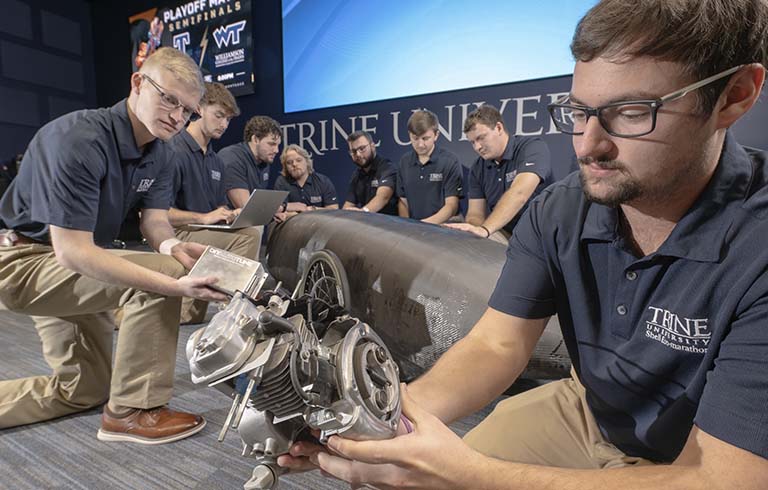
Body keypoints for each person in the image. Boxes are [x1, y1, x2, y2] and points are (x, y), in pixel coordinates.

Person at [277, 1, 768, 488]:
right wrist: (383, 420)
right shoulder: (561, 209)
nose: (587, 145)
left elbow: (727, 479)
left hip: (699, 456)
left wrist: (467, 474)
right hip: (590, 411)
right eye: (578, 112)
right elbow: (497, 343)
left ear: (735, 96)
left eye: (632, 112)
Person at [0, 48, 228, 444]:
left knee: (85, 389)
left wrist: (173, 246)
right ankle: (133, 412)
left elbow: (154, 222)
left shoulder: (160, 153)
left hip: (74, 263)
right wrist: (172, 282)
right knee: (162, 279)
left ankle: (111, 401)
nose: (177, 116)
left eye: (188, 110)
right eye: (168, 99)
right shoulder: (79, 139)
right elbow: (71, 251)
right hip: (24, 261)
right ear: (138, 83)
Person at [167, 81, 259, 324]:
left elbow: (216, 208)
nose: (224, 125)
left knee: (189, 315)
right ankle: (235, 306)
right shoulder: (174, 151)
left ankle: (232, 302)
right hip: (177, 232)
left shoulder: (216, 162)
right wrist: (202, 218)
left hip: (205, 231)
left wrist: (229, 214)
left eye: (228, 120)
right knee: (249, 236)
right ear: (198, 108)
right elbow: (157, 214)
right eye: (219, 116)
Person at [444, 105, 551, 243]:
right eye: (472, 142)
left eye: (481, 138)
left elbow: (520, 193)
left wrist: (485, 230)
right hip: (506, 235)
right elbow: (475, 214)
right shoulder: (478, 167)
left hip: (542, 234)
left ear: (499, 128)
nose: (477, 147)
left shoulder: (532, 147)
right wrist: (474, 229)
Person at [397, 110, 464, 224]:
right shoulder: (404, 161)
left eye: (425, 138)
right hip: (414, 230)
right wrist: (407, 226)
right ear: (409, 135)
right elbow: (403, 201)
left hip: (445, 229)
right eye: (415, 138)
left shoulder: (450, 161)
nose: (420, 144)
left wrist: (424, 225)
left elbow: (451, 205)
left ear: (436, 135)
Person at [219, 115, 282, 208]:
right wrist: (284, 207)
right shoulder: (232, 157)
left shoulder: (264, 161)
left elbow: (258, 206)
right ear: (255, 139)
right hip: (225, 221)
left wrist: (274, 213)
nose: (276, 150)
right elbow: (246, 208)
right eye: (271, 144)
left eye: (278, 145)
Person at [273, 144, 338, 220]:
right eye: (289, 162)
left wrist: (311, 209)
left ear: (307, 162)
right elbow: (279, 212)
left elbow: (334, 210)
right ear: (285, 167)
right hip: (291, 227)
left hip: (319, 225)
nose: (294, 164)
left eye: (298, 160)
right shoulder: (281, 182)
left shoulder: (323, 181)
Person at [342, 131, 398, 215]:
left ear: (372, 146)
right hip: (368, 225)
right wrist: (343, 216)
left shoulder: (387, 168)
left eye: (362, 149)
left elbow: (383, 197)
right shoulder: (357, 175)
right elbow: (348, 204)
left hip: (388, 225)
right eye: (353, 151)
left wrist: (363, 212)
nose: (358, 154)